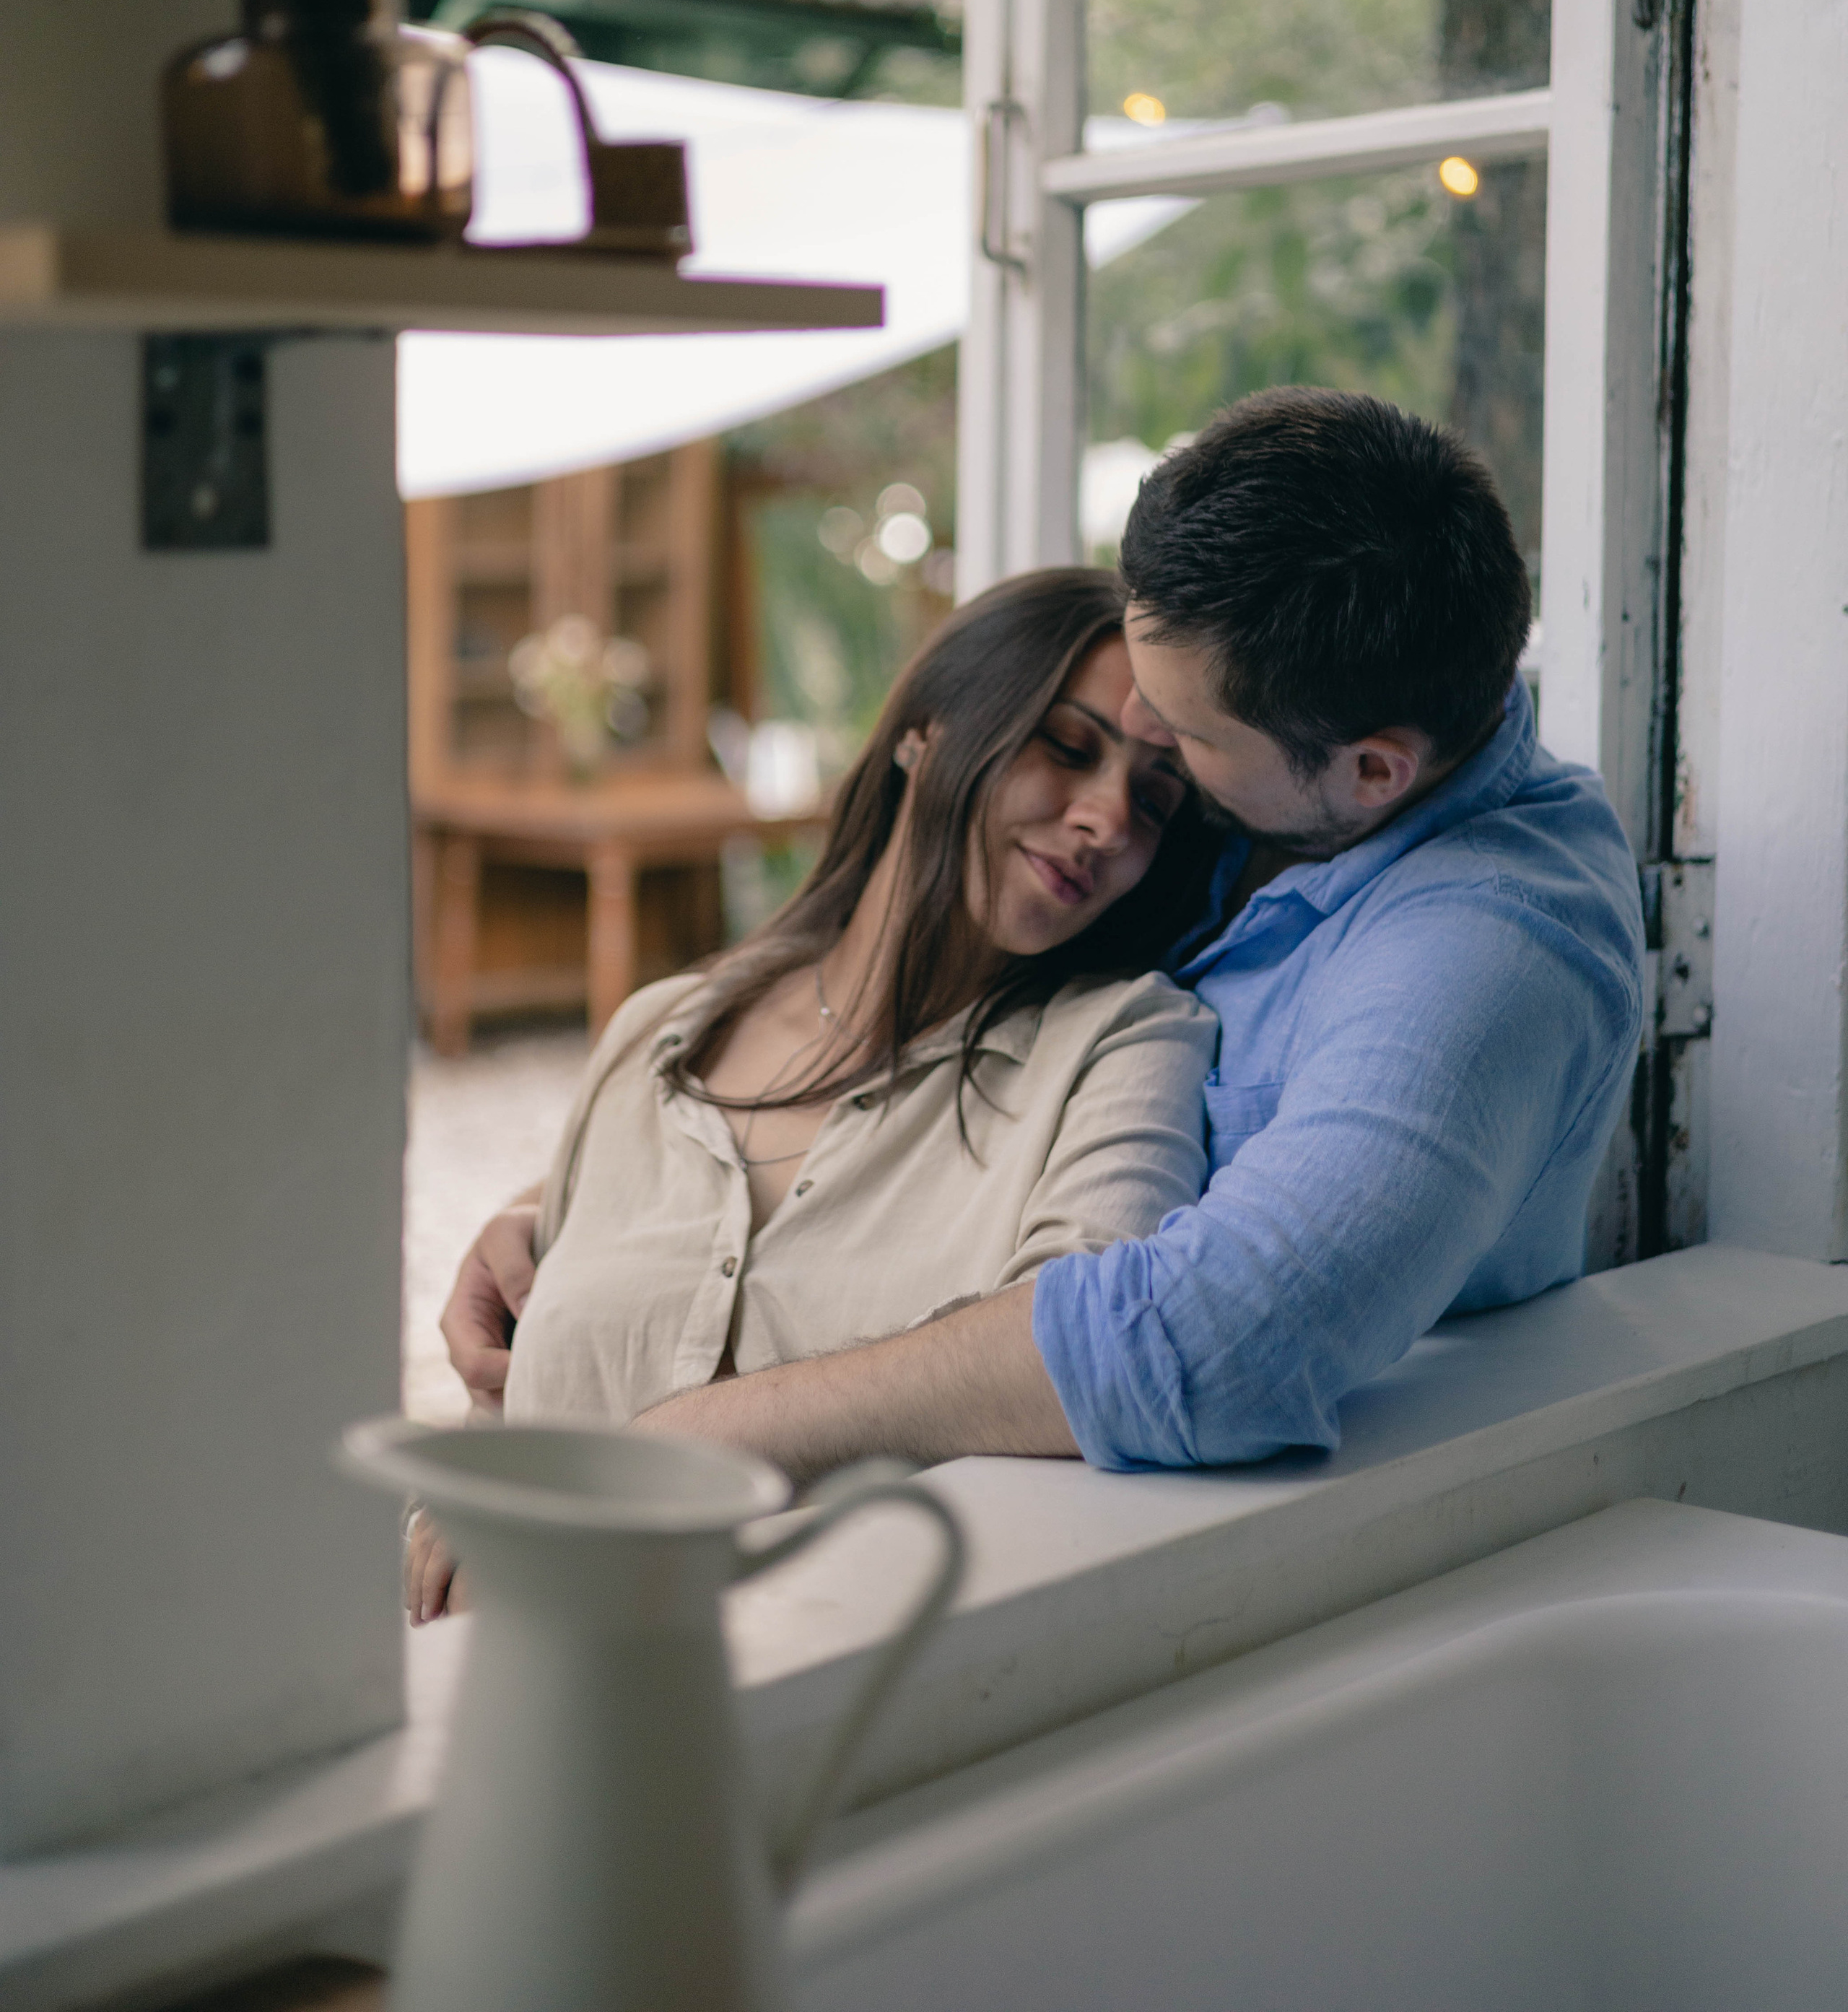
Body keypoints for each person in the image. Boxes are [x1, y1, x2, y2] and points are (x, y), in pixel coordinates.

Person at [441, 388, 1644, 1491]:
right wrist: (588, 1218)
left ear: (1373, 770)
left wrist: (699, 1430)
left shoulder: (1490, 952)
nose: (1122, 795)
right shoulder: (1306, 758)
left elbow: (1213, 1342)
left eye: (1179, 748)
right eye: (1079, 741)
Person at [409, 567, 1221, 1617]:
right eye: (1066, 748)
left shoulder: (1124, 1046)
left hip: (845, 1710)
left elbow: (1090, 1350)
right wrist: (466, 1497)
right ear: (923, 732)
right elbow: (504, 1416)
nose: (1109, 820)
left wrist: (682, 1445)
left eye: (1154, 803)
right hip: (523, 1698)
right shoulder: (658, 1035)